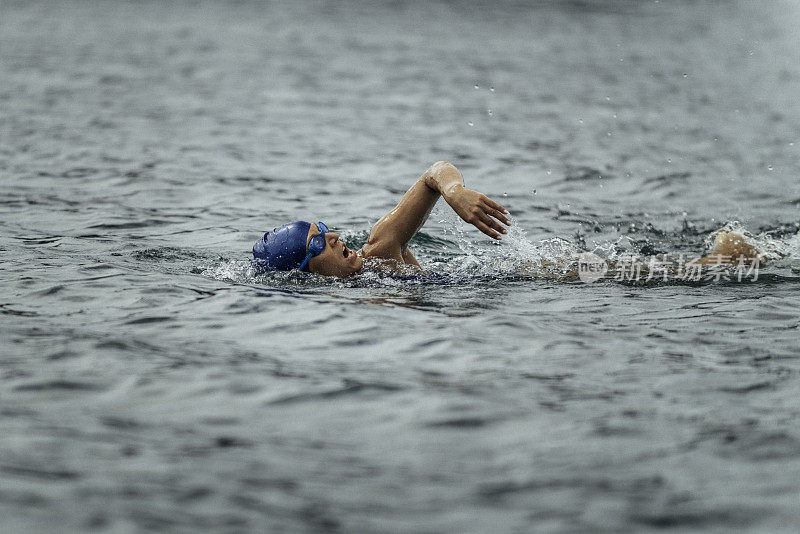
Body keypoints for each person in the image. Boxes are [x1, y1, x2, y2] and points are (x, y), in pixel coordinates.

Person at [253, 161, 763, 278]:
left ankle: (724, 256)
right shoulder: (365, 280)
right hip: (533, 278)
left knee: (688, 273)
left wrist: (454, 193)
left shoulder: (381, 247)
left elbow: (434, 172)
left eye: (326, 228)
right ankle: (725, 255)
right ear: (307, 273)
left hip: (542, 274)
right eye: (320, 241)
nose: (336, 236)